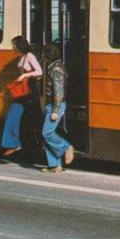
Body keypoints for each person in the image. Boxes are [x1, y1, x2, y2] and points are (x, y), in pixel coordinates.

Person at [1, 36, 42, 159]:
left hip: (29, 92)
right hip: (24, 92)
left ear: (19, 45)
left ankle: (15, 144)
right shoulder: (22, 56)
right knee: (17, 116)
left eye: (14, 45)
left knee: (20, 117)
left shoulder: (29, 56)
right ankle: (15, 143)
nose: (12, 47)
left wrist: (25, 76)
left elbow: (39, 71)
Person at [40, 44, 74, 173]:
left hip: (55, 105)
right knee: (47, 134)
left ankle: (66, 147)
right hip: (50, 104)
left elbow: (59, 91)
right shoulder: (54, 66)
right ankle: (54, 165)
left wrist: (55, 110)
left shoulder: (56, 69)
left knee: (47, 133)